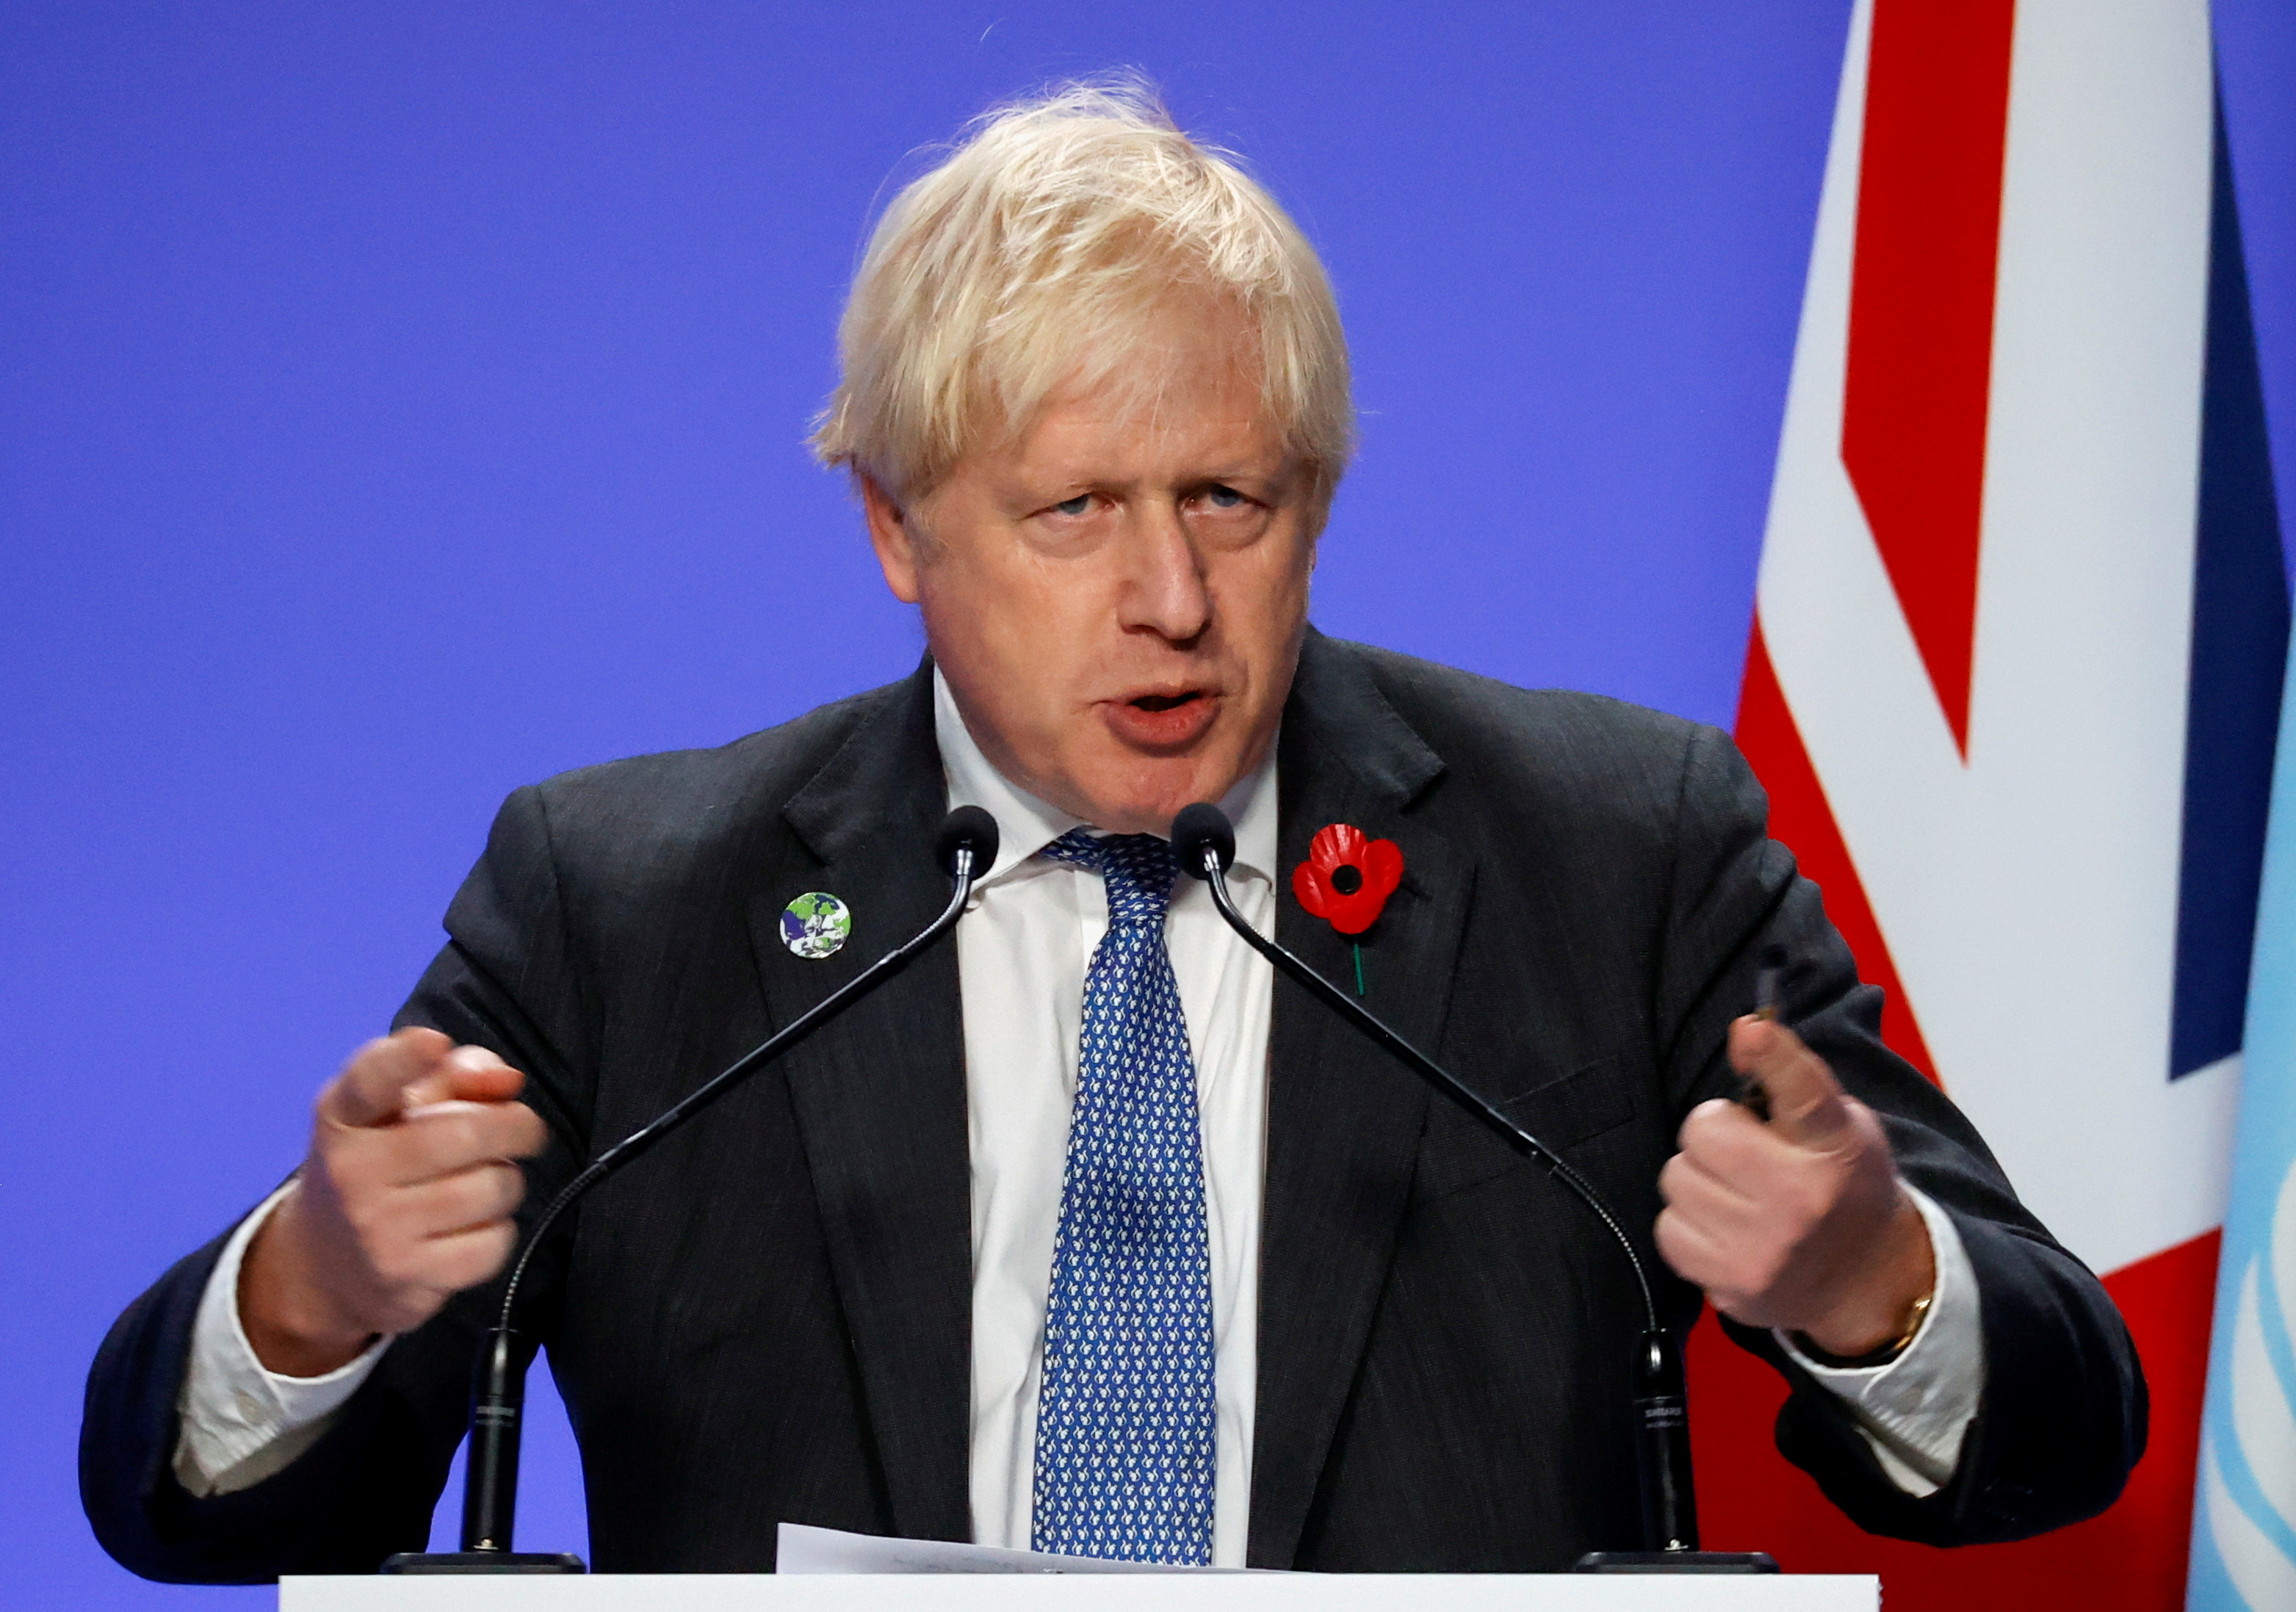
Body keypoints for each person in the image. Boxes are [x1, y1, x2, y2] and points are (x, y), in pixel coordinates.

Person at [82, 83, 2142, 1580]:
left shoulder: (1620, 853)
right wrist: (318, 1291)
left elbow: (2075, 1414)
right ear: (894, 526)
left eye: (1231, 500)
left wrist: (1880, 1283)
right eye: (1076, 512)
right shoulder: (628, 904)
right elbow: (184, 1499)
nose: (1173, 598)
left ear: (1314, 500)